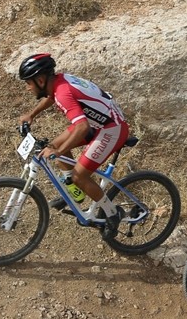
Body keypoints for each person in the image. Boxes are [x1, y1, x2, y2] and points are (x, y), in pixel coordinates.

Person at [16, 53, 128, 237]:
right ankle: (76, 193)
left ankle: (113, 213)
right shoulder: (58, 82)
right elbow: (52, 97)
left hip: (112, 128)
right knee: (54, 147)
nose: (28, 88)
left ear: (41, 80)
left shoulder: (63, 92)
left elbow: (82, 127)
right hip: (98, 123)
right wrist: (32, 114)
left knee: (78, 175)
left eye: (28, 83)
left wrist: (59, 151)